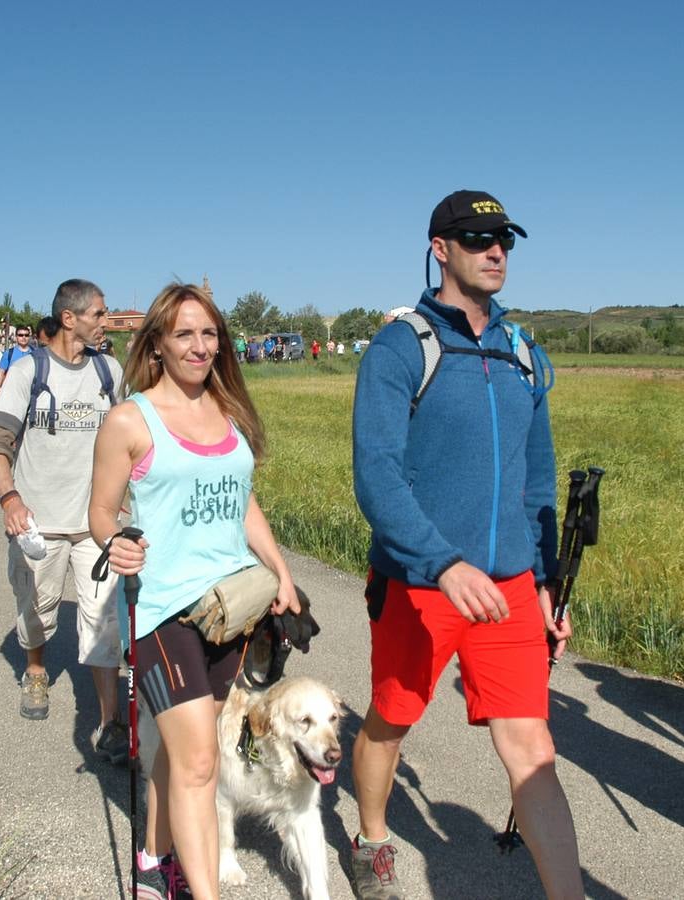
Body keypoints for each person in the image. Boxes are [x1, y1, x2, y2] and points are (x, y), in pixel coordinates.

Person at [348, 190, 579, 900]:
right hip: (420, 583)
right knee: (391, 719)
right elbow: (377, 475)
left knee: (533, 750)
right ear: (439, 247)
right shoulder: (401, 347)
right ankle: (372, 836)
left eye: (503, 238)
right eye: (477, 238)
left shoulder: (521, 353)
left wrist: (542, 582)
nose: (496, 250)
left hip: (508, 586)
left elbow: (538, 482)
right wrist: (440, 563)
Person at [91, 282, 300, 900]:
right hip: (163, 613)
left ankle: (153, 858)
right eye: (184, 333)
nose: (199, 345)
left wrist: (281, 572)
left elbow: (244, 503)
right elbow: (102, 511)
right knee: (201, 762)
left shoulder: (228, 409)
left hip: (228, 612)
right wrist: (115, 542)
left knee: (181, 756)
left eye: (209, 333)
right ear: (157, 342)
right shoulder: (130, 419)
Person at [0, 279, 131, 748]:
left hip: (96, 525)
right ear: (70, 318)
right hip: (39, 525)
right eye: (99, 314)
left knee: (105, 621)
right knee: (37, 613)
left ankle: (110, 724)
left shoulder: (110, 371)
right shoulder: (29, 372)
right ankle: (35, 669)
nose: (107, 323)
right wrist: (10, 499)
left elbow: (131, 440)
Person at [0, 324, 34, 405]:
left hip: (30, 392)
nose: (24, 337)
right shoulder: (8, 353)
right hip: (12, 392)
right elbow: (1, 373)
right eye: (21, 335)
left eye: (26, 335)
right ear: (16, 337)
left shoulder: (35, 353)